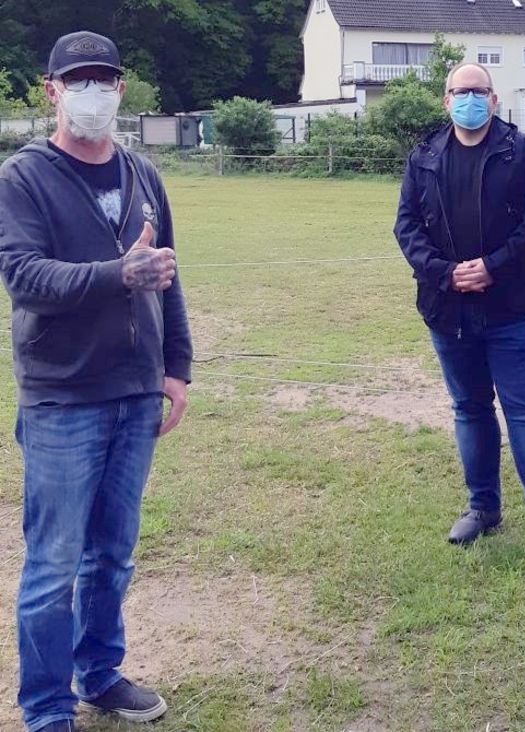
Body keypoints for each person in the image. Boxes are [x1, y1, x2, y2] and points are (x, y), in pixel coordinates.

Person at [0, 31, 192, 732]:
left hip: (135, 393)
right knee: (53, 567)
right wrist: (117, 275)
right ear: (51, 90)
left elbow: (168, 277)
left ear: (120, 87)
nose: (92, 93)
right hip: (62, 399)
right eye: (76, 80)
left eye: (103, 80)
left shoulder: (143, 174)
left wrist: (177, 368)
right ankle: (47, 709)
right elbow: (23, 277)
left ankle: (100, 672)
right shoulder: (22, 178)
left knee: (113, 553)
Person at [393, 62, 525, 563]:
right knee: (470, 410)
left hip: (512, 307)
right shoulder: (424, 157)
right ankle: (482, 508)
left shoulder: (521, 152)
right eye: (460, 91)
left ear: (494, 99)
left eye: (479, 91)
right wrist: (443, 272)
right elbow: (406, 225)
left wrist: (493, 267)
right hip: (447, 308)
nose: (469, 99)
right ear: (446, 99)